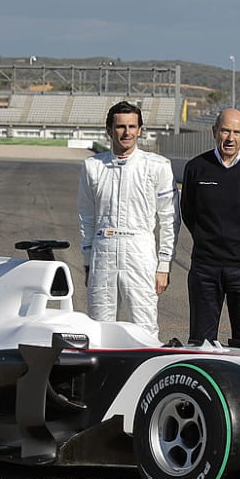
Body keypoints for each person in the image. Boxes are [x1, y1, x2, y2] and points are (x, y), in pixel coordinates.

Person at [77, 101, 180, 339]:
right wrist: (87, 261)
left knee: (144, 328)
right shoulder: (92, 166)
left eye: (132, 126)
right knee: (98, 329)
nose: (127, 132)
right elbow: (87, 217)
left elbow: (169, 219)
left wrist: (164, 265)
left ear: (140, 129)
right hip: (103, 251)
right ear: (109, 129)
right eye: (121, 126)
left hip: (140, 253)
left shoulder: (157, 166)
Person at [181, 109, 240, 346]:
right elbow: (188, 213)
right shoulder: (196, 168)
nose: (230, 138)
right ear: (215, 132)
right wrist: (209, 240)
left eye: (236, 132)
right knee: (200, 343)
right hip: (205, 269)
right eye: (225, 131)